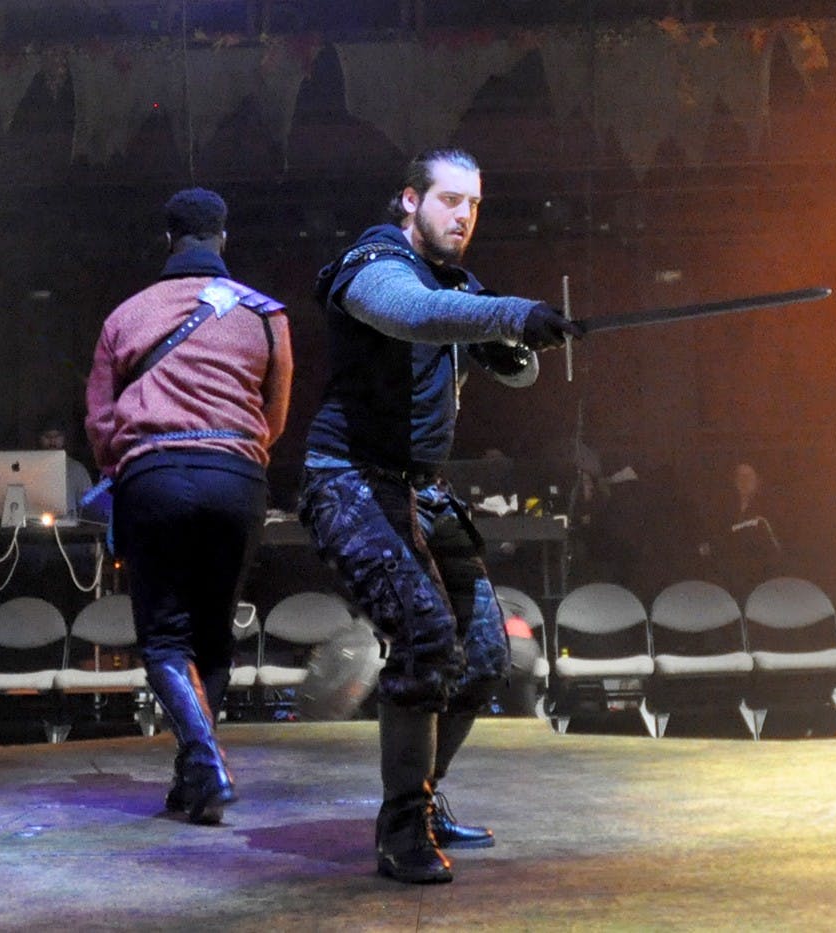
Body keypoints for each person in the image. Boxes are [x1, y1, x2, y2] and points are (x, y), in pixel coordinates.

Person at [297, 148, 582, 883]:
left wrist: (518, 342)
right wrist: (512, 313)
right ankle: (400, 836)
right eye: (450, 200)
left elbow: (514, 369)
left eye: (474, 205)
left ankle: (420, 800)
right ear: (409, 200)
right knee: (426, 639)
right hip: (350, 480)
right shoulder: (375, 263)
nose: (463, 216)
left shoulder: (455, 280)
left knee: (485, 655)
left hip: (420, 488)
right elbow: (418, 316)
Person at [85, 187, 293, 824]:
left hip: (156, 479)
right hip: (237, 480)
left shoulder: (126, 315)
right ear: (224, 239)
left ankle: (205, 763)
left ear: (167, 240)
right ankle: (193, 781)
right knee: (213, 639)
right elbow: (275, 417)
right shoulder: (267, 315)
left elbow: (99, 424)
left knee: (165, 640)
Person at [699, 462, 782, 601]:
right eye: (739, 477)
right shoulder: (723, 511)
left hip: (759, 584)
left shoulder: (767, 512)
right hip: (727, 584)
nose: (744, 481)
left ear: (758, 481)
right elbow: (713, 541)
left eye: (749, 477)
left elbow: (770, 549)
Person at [36, 414, 94, 518]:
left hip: (69, 531)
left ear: (63, 438)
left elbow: (90, 505)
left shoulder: (77, 469)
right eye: (47, 437)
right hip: (33, 530)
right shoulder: (29, 469)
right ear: (40, 438)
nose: (52, 441)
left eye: (57, 436)